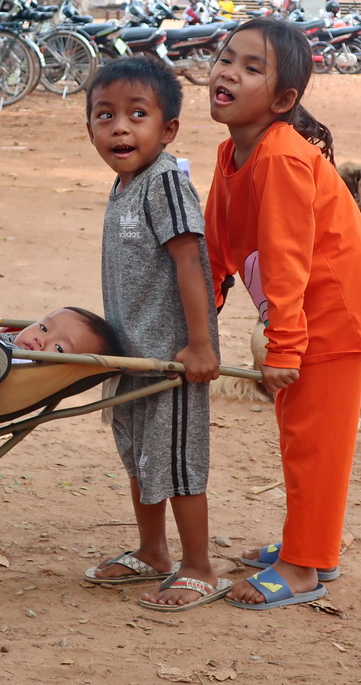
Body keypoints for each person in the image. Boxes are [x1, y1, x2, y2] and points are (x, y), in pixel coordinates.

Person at [202, 18, 361, 610]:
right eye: (224, 57)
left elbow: (288, 261)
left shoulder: (284, 159)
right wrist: (202, 315)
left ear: (285, 100)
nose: (228, 71)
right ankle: (311, 547)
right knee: (302, 440)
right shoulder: (233, 152)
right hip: (306, 316)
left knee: (316, 444)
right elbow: (218, 240)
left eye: (251, 67)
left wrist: (284, 346)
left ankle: (302, 570)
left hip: (333, 318)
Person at [82, 57, 227, 612]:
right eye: (105, 115)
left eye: (137, 114)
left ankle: (198, 566)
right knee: (141, 456)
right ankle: (153, 551)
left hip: (172, 360)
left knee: (177, 461)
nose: (120, 127)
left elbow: (190, 263)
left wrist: (199, 345)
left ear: (167, 130)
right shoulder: (124, 185)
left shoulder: (166, 181)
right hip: (131, 357)